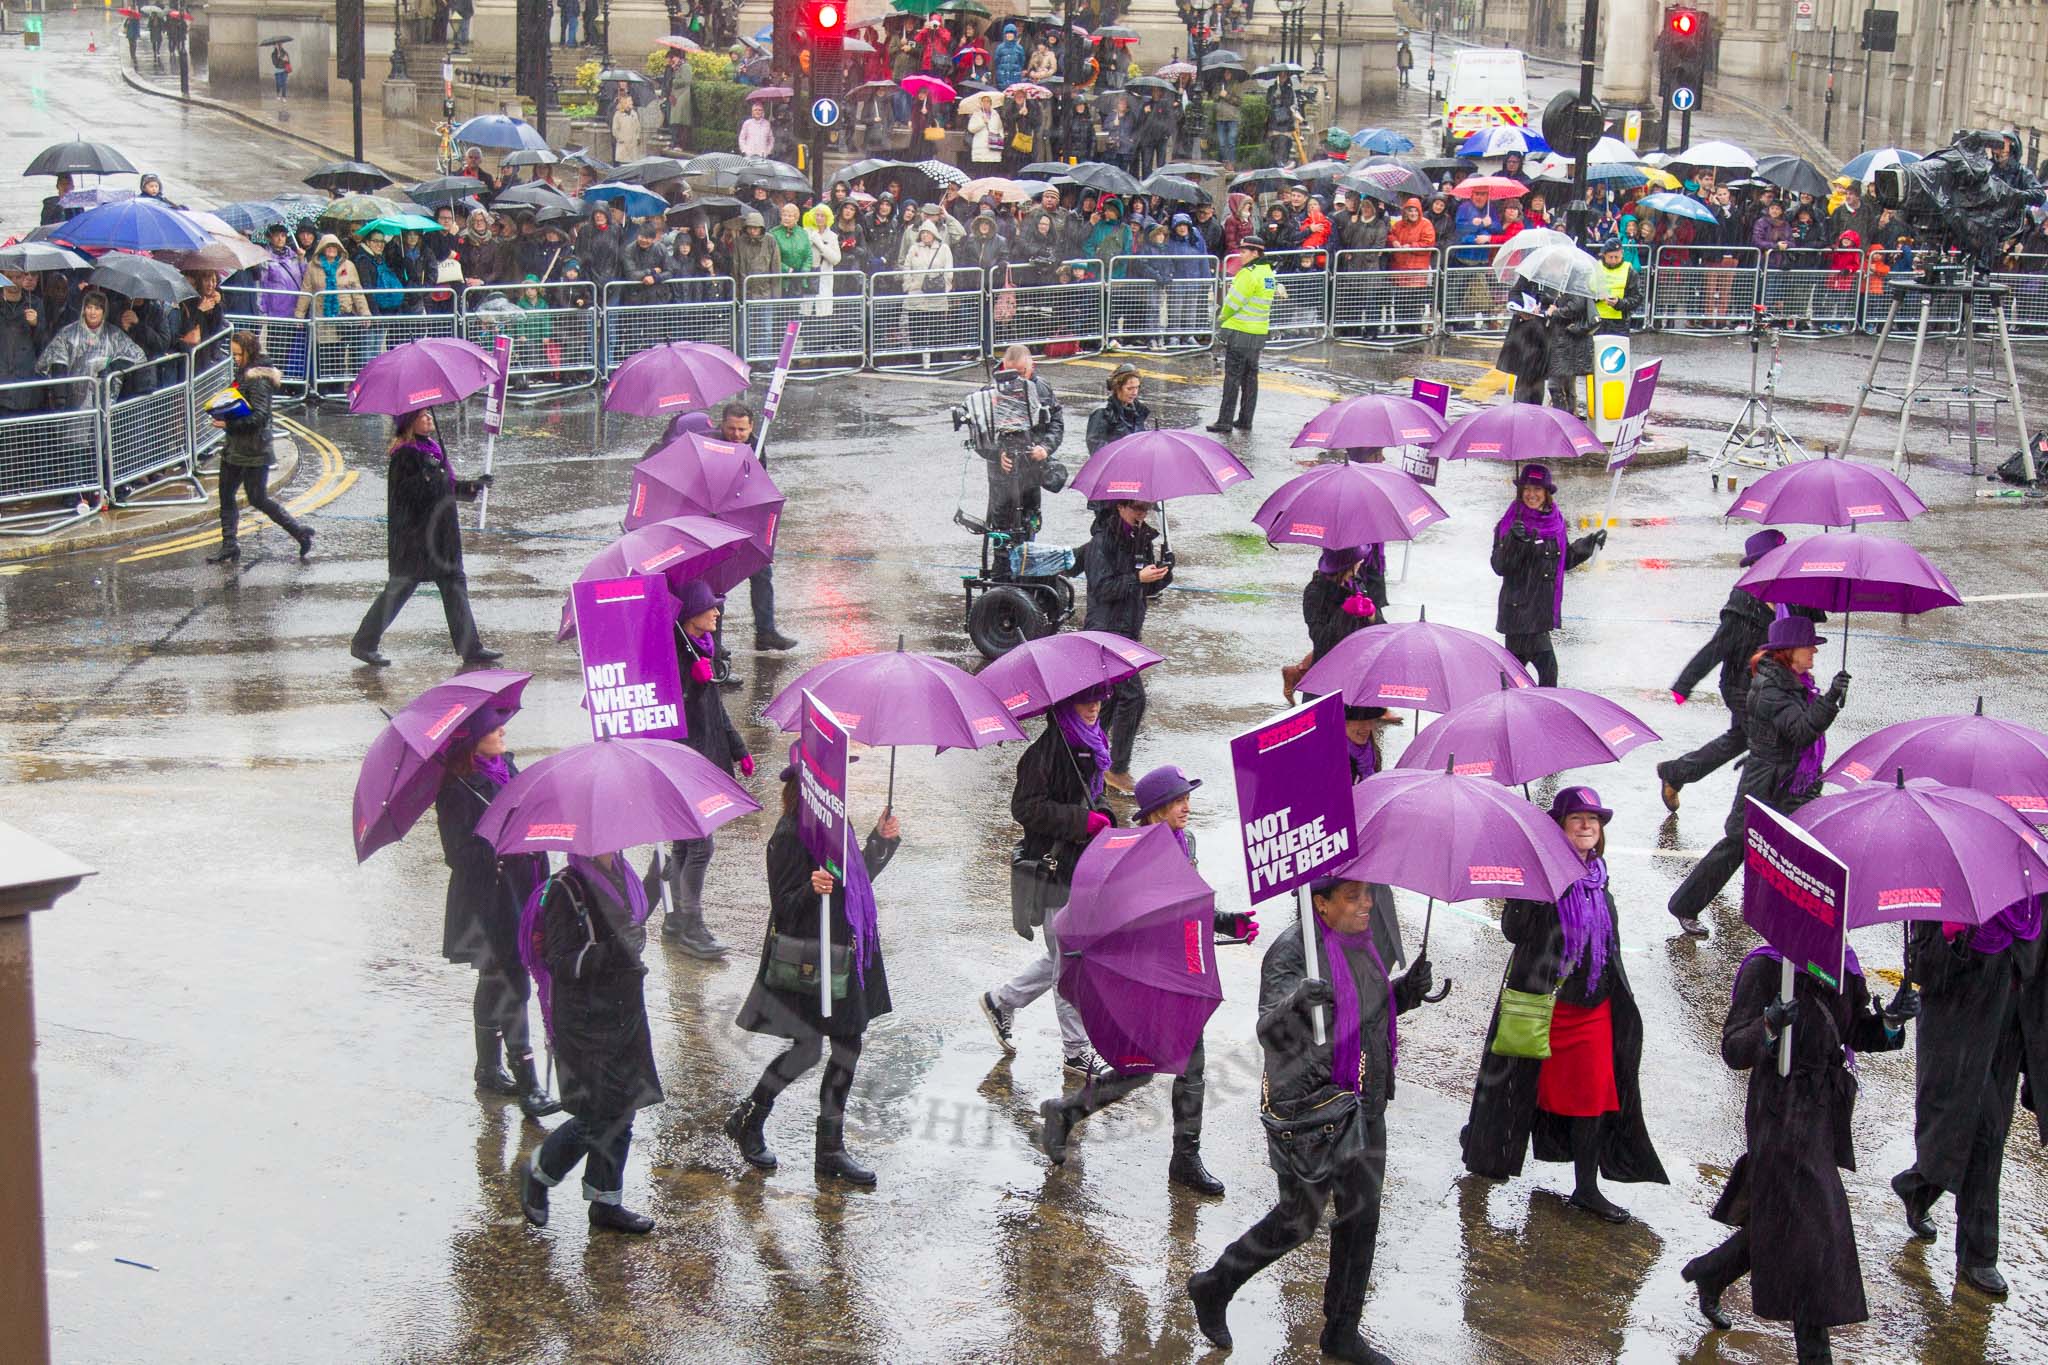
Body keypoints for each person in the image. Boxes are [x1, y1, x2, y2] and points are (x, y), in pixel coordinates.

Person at [1187, 871, 1437, 1364]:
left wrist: (1405, 992)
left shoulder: (1363, 943)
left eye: (1368, 893)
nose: (1367, 903)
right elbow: (1269, 1032)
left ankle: (1342, 1331)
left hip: (1364, 1101)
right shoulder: (1291, 951)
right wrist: (1296, 1004)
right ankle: (1215, 1284)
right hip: (1311, 1107)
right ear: (1320, 904)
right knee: (1298, 1220)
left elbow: (1366, 1013)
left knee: (1361, 1218)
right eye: (1353, 896)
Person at [1681, 942, 1914, 1361]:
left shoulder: (1844, 965)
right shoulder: (1769, 967)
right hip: (1778, 1113)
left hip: (1822, 1114)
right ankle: (1815, 1353)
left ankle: (1713, 1271)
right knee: (1817, 1233)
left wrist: (1892, 1022)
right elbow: (1734, 1049)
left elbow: (1856, 1032)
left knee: (1790, 1220)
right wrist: (1768, 1026)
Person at [1037, 766, 1257, 1194]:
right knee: (1144, 1067)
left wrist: (1227, 921)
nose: (1186, 807)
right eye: (1178, 801)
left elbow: (1188, 902)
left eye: (1187, 798)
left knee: (1184, 1064)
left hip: (1175, 971)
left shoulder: (1184, 843)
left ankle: (1182, 1157)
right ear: (1156, 810)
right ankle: (1068, 1114)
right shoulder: (1132, 858)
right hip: (1142, 972)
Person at [1460, 787, 1667, 1221]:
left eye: (1595, 819)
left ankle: (1586, 1188)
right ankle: (1480, 1138)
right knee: (1513, 1091)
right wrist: (1533, 884)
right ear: (1560, 828)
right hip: (1545, 1008)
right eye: (1578, 819)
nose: (1588, 826)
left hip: (1593, 1008)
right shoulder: (1542, 878)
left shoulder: (1599, 877)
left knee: (1593, 1096)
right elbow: (1514, 932)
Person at [726, 755, 903, 1187]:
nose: (840, 786)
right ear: (809, 786)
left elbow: (855, 883)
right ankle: (749, 1118)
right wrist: (810, 888)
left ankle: (829, 1151)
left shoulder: (835, 830)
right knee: (807, 1049)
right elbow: (783, 910)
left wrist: (880, 843)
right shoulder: (789, 836)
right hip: (810, 963)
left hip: (845, 955)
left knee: (846, 1046)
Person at [1890, 900, 2047, 1299]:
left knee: (1989, 1130)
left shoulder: (2034, 878)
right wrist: (1958, 937)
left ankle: (1929, 1196)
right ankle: (1971, 1246)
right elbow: (1925, 966)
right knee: (1969, 1125)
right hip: (1960, 1021)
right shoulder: (1949, 880)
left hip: (2011, 1020)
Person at [1666, 613, 1850, 936]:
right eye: (1810, 646)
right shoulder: (1770, 689)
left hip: (1790, 785)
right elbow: (1801, 731)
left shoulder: (1795, 683)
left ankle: (1794, 920)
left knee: (1796, 848)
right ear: (1789, 651)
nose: (1815, 652)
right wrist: (1831, 699)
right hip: (1765, 785)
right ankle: (1685, 905)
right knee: (1736, 845)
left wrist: (1827, 700)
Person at [516, 848, 663, 1235]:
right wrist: (616, 947)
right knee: (597, 1116)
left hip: (625, 1009)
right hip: (586, 1020)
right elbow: (562, 961)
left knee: (624, 1107)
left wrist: (658, 878)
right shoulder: (566, 888)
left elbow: (633, 920)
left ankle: (605, 1202)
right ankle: (539, 1173)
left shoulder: (624, 876)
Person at [980, 686, 1116, 1075]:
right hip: (1055, 871)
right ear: (1064, 704)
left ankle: (1001, 1002)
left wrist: (1102, 817)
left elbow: (1096, 796)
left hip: (1083, 869)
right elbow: (1024, 807)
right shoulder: (1046, 752)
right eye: (1085, 700)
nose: (1093, 707)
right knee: (1070, 963)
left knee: (1063, 955)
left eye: (1098, 700)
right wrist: (1080, 821)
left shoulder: (1094, 742)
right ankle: (1075, 1052)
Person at [435, 710, 558, 1120]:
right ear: (472, 739)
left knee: (495, 981)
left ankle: (488, 1068)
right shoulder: (455, 788)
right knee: (511, 984)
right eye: (493, 728)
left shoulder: (506, 765)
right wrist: (498, 840)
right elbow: (457, 854)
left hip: (523, 888)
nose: (502, 731)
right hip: (489, 899)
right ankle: (528, 1085)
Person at [1658, 530, 1826, 812]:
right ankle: (1754, 814)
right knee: (1765, 743)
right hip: (1741, 688)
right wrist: (1684, 684)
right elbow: (1716, 647)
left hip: (1775, 686)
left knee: (1739, 740)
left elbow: (1812, 617)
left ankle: (1676, 773)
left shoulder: (1790, 595)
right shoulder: (1743, 604)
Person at [349, 408, 500, 668]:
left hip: (440, 538)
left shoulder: (430, 448)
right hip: (416, 540)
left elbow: (445, 488)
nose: (429, 418)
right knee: (398, 591)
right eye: (422, 416)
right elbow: (408, 494)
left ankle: (471, 648)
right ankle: (364, 643)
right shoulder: (405, 455)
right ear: (409, 423)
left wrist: (471, 486)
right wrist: (430, 475)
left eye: (429, 414)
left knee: (454, 587)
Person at [650, 579, 750, 959]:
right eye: (711, 607)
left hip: (705, 757)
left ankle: (675, 920)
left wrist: (738, 746)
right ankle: (693, 924)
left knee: (684, 844)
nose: (717, 613)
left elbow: (716, 709)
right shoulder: (675, 655)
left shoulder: (701, 648)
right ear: (692, 614)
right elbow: (668, 710)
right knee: (700, 845)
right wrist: (690, 685)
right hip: (682, 761)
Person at [1489, 463, 1604, 687]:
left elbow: (1563, 561)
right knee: (1544, 674)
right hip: (1519, 615)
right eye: (1527, 489)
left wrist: (1589, 544)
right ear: (1521, 492)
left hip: (1541, 612)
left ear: (1546, 493)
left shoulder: (1556, 522)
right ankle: (1534, 717)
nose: (1532, 495)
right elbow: (1500, 567)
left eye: (1537, 490)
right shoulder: (1509, 523)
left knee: (1517, 679)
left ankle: (1524, 716)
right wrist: (1514, 541)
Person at [204, 332, 314, 566]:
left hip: (254, 449)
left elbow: (260, 416)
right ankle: (229, 545)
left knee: (258, 498)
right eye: (233, 354)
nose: (234, 358)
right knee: (226, 495)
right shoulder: (243, 373)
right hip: (236, 445)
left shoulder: (258, 379)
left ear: (249, 352)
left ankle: (299, 533)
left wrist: (228, 422)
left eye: (238, 354)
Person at [1084, 499, 1171, 792]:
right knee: (1133, 698)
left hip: (1128, 632)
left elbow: (1147, 588)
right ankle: (1117, 769)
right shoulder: (1101, 542)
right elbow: (1102, 588)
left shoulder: (1142, 539)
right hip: (1105, 632)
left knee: (1107, 701)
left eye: (1146, 509)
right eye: (1136, 508)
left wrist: (1163, 573)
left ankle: (1088, 756)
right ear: (1120, 506)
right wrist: (1137, 577)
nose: (1141, 514)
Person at [971, 343, 1065, 539]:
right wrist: (998, 454)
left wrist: (1045, 448)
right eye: (1012, 373)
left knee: (1030, 526)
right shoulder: (990, 391)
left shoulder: (1042, 388)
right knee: (1001, 531)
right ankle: (1002, 567)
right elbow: (978, 434)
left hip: (1032, 469)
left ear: (1032, 366)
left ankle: (1026, 562)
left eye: (1023, 373)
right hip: (1002, 476)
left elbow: (1056, 422)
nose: (1019, 380)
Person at [1207, 236, 1284, 433]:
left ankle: (1224, 420)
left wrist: (1221, 317)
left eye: (1244, 251)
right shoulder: (1267, 273)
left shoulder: (1247, 274)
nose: (1240, 255)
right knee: (1250, 379)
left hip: (1240, 331)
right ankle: (1245, 419)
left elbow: (1233, 303)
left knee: (1232, 378)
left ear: (1255, 252)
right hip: (1258, 333)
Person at [34, 290, 145, 407]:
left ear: (104, 311)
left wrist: (113, 367)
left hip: (105, 400)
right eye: (89, 307)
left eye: (97, 308)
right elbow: (51, 360)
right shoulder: (68, 333)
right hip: (73, 400)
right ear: (83, 309)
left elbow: (138, 356)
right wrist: (60, 396)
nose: (93, 312)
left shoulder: (114, 335)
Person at [1594, 236, 1643, 335]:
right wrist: (1597, 297)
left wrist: (1619, 303)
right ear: (1604, 255)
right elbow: (1585, 292)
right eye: (1610, 257)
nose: (1613, 260)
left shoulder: (1629, 271)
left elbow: (1637, 298)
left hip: (1620, 322)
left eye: (1617, 257)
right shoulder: (1595, 267)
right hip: (1596, 320)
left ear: (1622, 254)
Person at [612, 92, 646, 164]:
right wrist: (620, 139)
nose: (632, 103)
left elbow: (638, 127)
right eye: (629, 101)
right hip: (623, 144)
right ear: (624, 103)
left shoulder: (634, 113)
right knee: (624, 163)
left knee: (633, 162)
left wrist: (637, 137)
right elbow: (615, 129)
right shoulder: (618, 115)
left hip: (633, 144)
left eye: (631, 101)